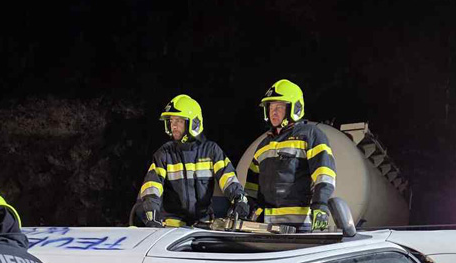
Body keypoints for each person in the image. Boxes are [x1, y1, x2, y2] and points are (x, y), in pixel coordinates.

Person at [136, 94, 249, 227]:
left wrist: (239, 199)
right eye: (171, 121)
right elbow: (152, 186)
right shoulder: (164, 154)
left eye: (179, 121)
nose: (173, 126)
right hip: (173, 226)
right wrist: (151, 212)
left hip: (204, 225)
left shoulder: (211, 150)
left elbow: (228, 178)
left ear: (193, 123)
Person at [245, 79, 336, 231]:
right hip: (267, 228)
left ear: (295, 108)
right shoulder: (263, 146)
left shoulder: (311, 135)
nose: (273, 112)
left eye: (279, 107)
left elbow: (324, 174)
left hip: (301, 227)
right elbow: (252, 186)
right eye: (271, 107)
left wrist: (320, 206)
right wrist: (248, 209)